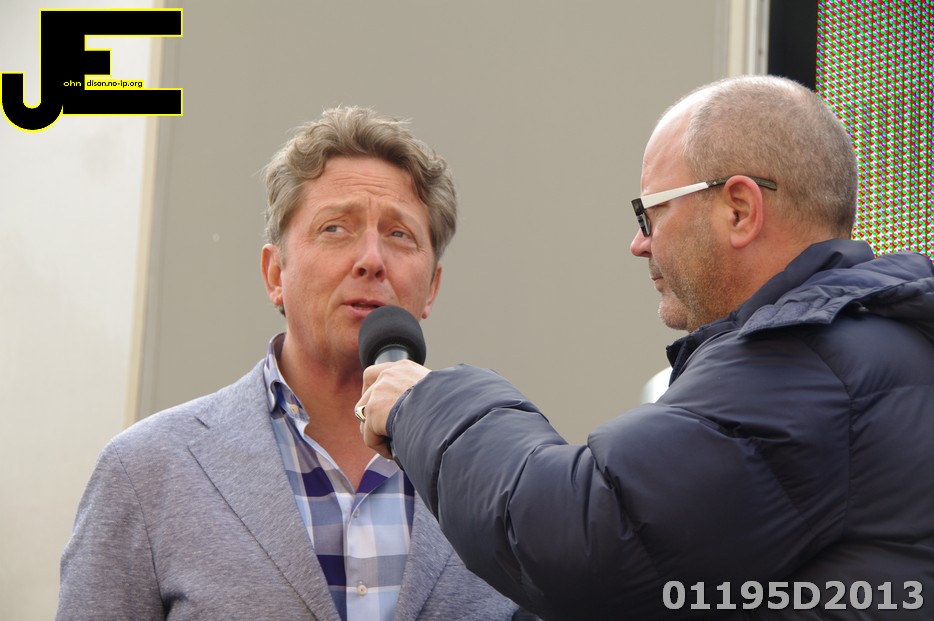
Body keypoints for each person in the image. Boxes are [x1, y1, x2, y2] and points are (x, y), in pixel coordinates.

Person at [357, 76, 934, 620]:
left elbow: (582, 535)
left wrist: (427, 402)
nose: (638, 243)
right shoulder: (865, 354)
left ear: (739, 209)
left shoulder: (806, 365)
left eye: (650, 212)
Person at [56, 107, 532, 620]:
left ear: (432, 287)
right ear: (274, 273)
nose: (371, 259)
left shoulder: (502, 472)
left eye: (399, 234)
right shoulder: (147, 471)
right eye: (335, 228)